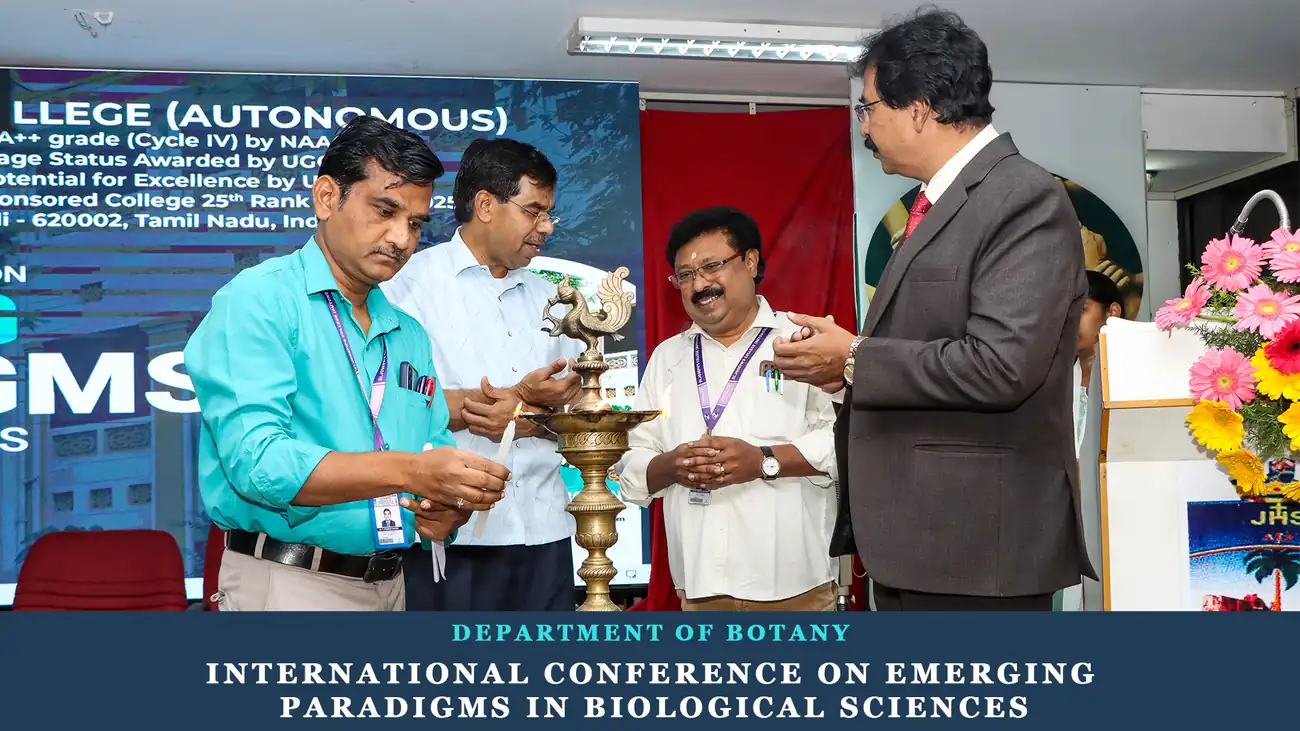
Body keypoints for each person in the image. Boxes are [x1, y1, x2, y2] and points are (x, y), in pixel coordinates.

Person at [772, 8, 1098, 611]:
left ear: (919, 109)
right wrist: (840, 368)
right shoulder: (938, 203)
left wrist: (855, 356)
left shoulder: (1021, 196)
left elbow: (1001, 366)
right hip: (921, 540)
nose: (864, 126)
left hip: (975, 547)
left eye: (868, 108)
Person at [186, 116, 511, 611]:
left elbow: (432, 446)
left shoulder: (407, 334)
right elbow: (259, 464)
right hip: (289, 582)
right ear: (326, 198)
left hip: (393, 583)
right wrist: (411, 472)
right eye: (385, 211)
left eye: (416, 223)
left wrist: (447, 507)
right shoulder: (259, 301)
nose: (401, 238)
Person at [382, 138, 583, 611]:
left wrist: (530, 414)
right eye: (533, 211)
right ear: (486, 205)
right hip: (450, 530)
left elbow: (580, 411)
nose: (546, 227)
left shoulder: (555, 300)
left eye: (549, 214)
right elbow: (387, 406)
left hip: (547, 529)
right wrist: (495, 405)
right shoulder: (405, 288)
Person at [618, 207, 838, 611]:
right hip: (701, 590)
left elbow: (845, 442)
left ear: (750, 261)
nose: (700, 284)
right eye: (685, 275)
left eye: (711, 266)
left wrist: (763, 461)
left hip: (795, 588)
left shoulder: (804, 342)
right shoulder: (668, 357)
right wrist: (673, 466)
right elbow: (630, 459)